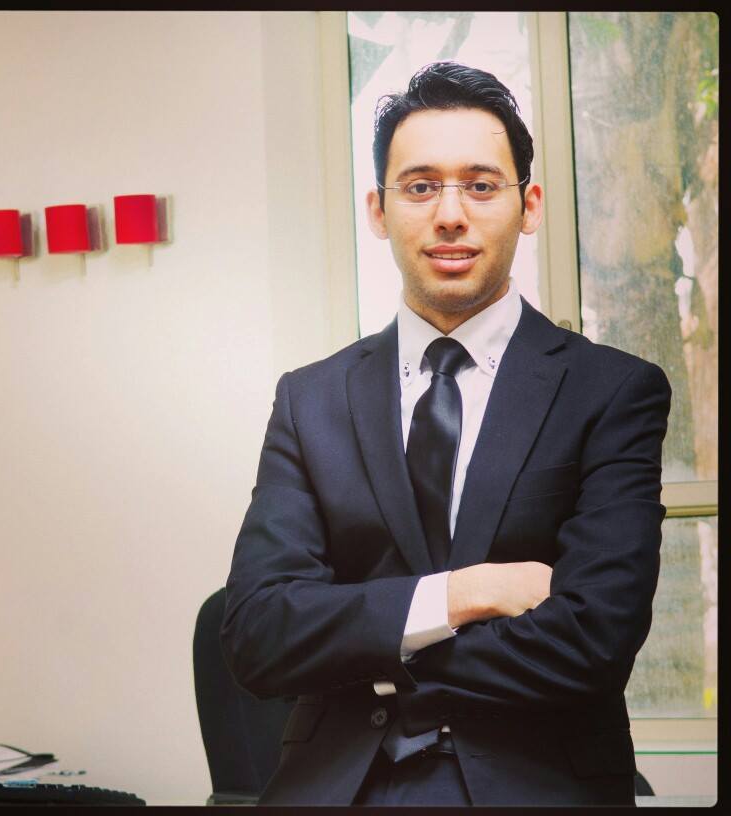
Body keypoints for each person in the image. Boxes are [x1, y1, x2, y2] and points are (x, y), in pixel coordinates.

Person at [220, 61, 671, 806]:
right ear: (378, 209)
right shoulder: (311, 400)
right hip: (339, 786)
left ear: (529, 206)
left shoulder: (612, 392)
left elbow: (594, 641)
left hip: (531, 781)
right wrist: (464, 595)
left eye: (481, 186)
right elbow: (258, 635)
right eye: (421, 186)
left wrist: (370, 646)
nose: (451, 214)